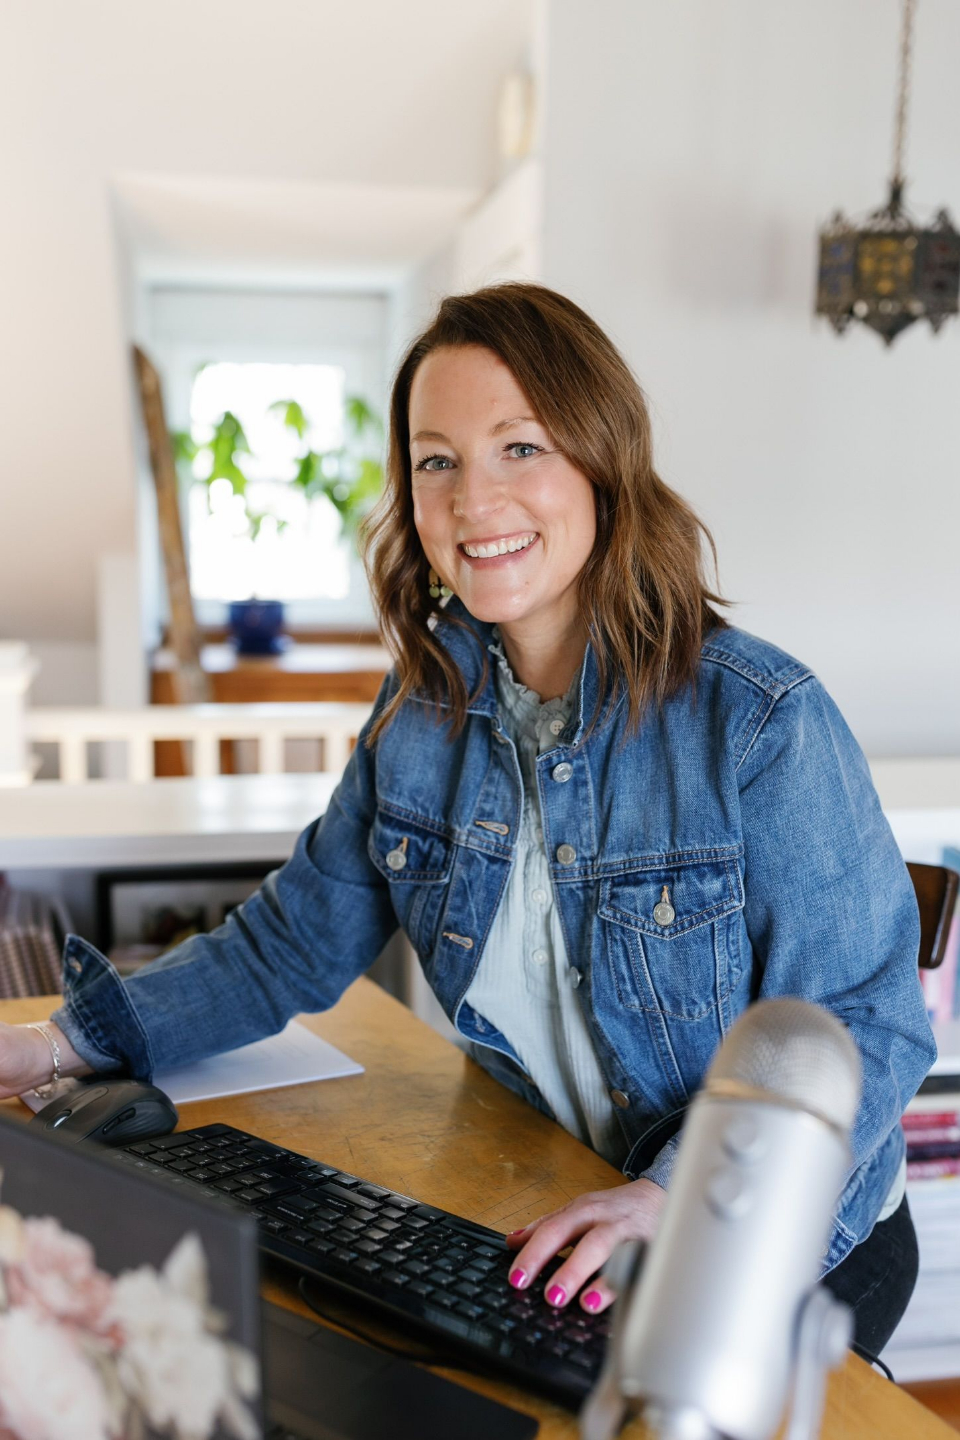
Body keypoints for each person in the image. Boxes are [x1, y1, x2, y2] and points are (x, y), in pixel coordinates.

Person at [0, 284, 934, 1354]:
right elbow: (287, 947)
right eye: (436, 460)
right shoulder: (420, 713)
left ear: (603, 460)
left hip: (787, 1235)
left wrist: (674, 1199)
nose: (473, 500)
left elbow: (866, 1026)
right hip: (556, 1192)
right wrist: (60, 1043)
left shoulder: (761, 719)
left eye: (520, 447)